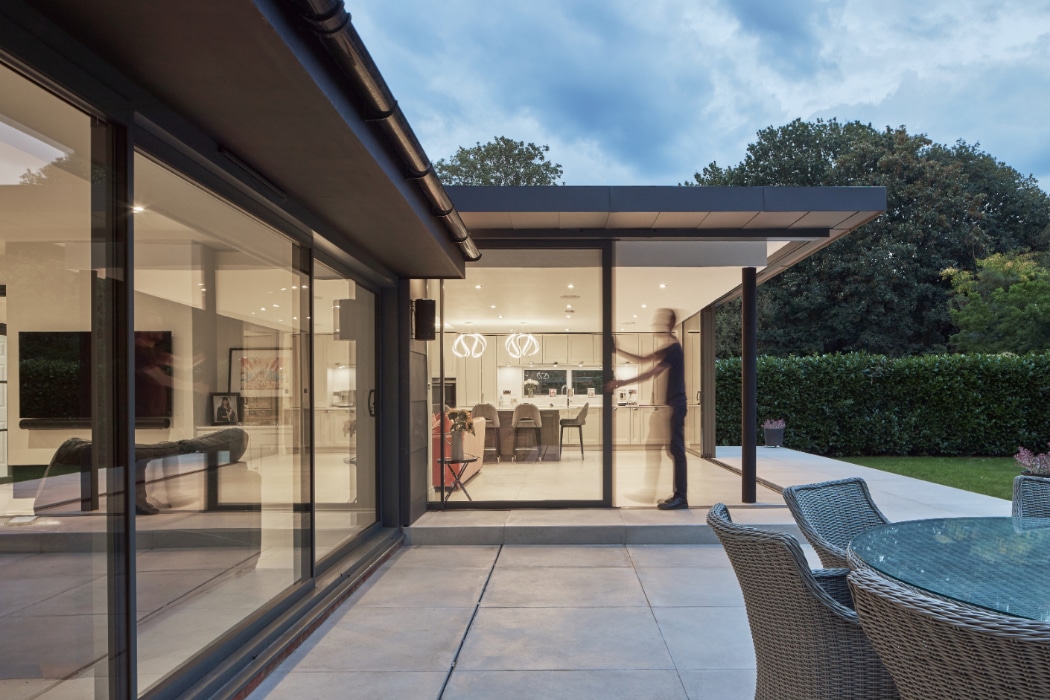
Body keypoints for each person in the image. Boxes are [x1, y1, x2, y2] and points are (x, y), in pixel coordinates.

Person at [606, 308, 689, 510]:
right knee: (662, 449)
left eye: (659, 321)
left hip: (676, 405)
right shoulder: (669, 348)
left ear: (669, 324)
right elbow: (643, 360)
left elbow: (651, 372)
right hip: (671, 406)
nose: (655, 325)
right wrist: (618, 350)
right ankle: (665, 493)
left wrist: (621, 383)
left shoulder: (674, 349)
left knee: (676, 451)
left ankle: (681, 497)